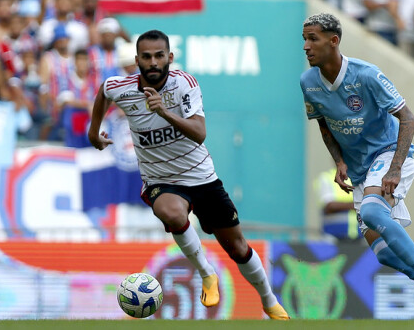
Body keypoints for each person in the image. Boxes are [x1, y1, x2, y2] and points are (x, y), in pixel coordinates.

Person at [88, 29, 289, 320]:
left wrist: (165, 113)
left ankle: (268, 300)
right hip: (160, 180)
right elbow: (103, 94)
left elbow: (199, 133)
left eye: (159, 56)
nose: (153, 62)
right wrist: (94, 133)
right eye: (146, 57)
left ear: (169, 57)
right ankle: (207, 274)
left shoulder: (184, 85)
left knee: (237, 247)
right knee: (171, 213)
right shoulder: (121, 87)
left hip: (201, 177)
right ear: (137, 60)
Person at [300, 13, 414, 319]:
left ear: (334, 41)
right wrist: (339, 161)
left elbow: (408, 117)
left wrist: (396, 168)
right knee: (386, 253)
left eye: (313, 39)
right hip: (361, 169)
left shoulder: (366, 75)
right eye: (304, 39)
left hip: (389, 155)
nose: (306, 46)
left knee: (374, 212)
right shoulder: (308, 82)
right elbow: (323, 124)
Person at [314, 165, 361, 241]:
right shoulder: (327, 177)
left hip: (359, 236)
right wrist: (355, 205)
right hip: (332, 236)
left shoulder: (360, 177)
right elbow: (329, 206)